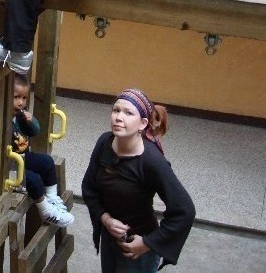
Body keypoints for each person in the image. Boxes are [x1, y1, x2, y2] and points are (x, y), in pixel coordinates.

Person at [82, 89, 195, 272]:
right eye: (116, 110)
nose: (119, 117)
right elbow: (89, 187)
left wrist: (147, 243)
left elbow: (185, 211)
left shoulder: (151, 161)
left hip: (137, 249)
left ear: (142, 123)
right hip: (110, 239)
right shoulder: (104, 142)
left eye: (128, 113)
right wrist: (106, 219)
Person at [10, 73, 74, 226]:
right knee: (33, 179)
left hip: (24, 157)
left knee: (47, 162)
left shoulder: (20, 116)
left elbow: (34, 131)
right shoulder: (2, 117)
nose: (20, 102)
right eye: (16, 97)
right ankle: (45, 211)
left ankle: (52, 199)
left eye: (24, 98)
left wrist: (31, 122)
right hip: (10, 166)